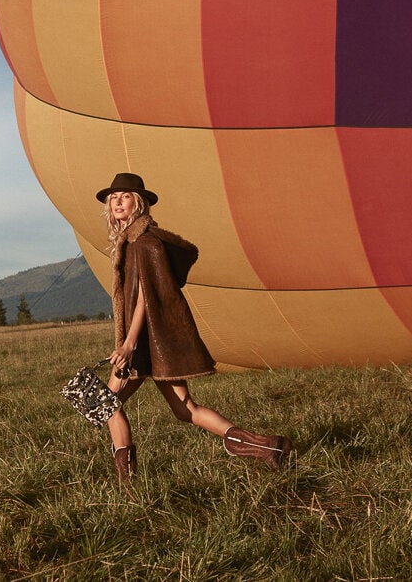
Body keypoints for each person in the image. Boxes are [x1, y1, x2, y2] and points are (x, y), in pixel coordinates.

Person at [95, 172, 291, 483]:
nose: (118, 201)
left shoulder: (143, 243)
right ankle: (269, 447)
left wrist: (129, 344)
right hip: (152, 342)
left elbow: (147, 296)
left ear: (139, 203)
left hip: (143, 343)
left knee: (103, 403)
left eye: (125, 196)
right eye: (114, 197)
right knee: (185, 409)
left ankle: (127, 486)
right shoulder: (134, 242)